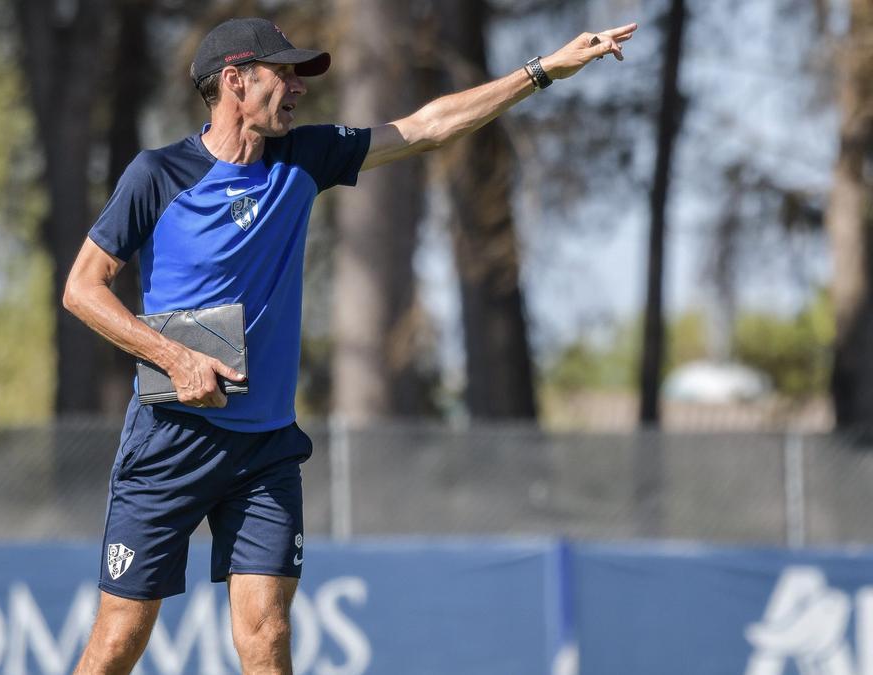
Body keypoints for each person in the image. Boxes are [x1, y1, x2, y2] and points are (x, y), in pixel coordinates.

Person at [63, 16, 637, 674]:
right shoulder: (157, 174)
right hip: (169, 444)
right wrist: (173, 355)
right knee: (116, 643)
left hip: (264, 451)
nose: (298, 87)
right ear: (233, 82)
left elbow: (425, 127)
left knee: (267, 632)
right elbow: (83, 289)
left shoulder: (306, 157)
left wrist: (540, 72)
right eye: (284, 74)